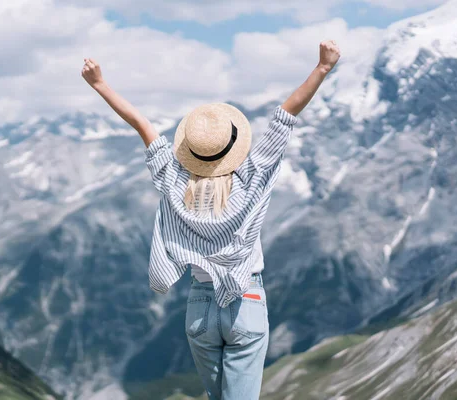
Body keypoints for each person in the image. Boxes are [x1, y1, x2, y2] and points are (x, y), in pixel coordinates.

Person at [82, 40, 341, 400]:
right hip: (246, 300)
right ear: (233, 144)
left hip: (199, 308)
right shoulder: (251, 176)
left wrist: (99, 84)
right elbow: (286, 116)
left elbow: (140, 122)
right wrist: (322, 68)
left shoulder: (173, 181)